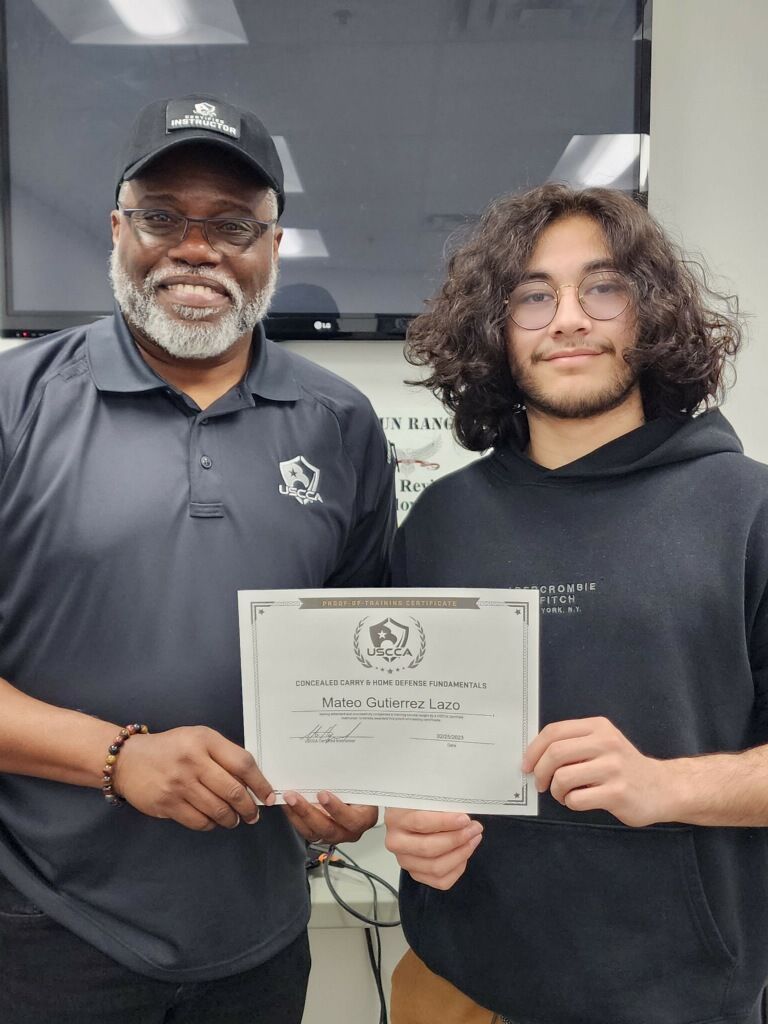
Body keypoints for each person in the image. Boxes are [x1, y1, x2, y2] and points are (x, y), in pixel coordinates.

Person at [0, 95, 395, 1024]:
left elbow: (367, 659)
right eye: (163, 216)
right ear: (117, 228)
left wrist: (363, 786)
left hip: (257, 937)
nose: (196, 248)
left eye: (232, 225)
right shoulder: (15, 405)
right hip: (47, 928)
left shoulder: (340, 424)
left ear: (272, 246)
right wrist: (116, 758)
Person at [384, 184, 768, 1024]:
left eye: (603, 287)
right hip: (454, 984)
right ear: (495, 327)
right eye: (532, 295)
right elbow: (408, 739)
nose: (568, 319)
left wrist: (666, 785)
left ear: (649, 312)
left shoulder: (748, 511)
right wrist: (405, 822)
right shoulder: (442, 521)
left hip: (676, 997)